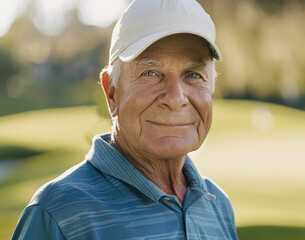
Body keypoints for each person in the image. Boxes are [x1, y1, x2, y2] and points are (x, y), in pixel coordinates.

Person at [12, 0, 238, 239]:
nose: (175, 98)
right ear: (112, 93)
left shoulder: (218, 206)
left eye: (193, 75)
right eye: (150, 73)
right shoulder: (57, 213)